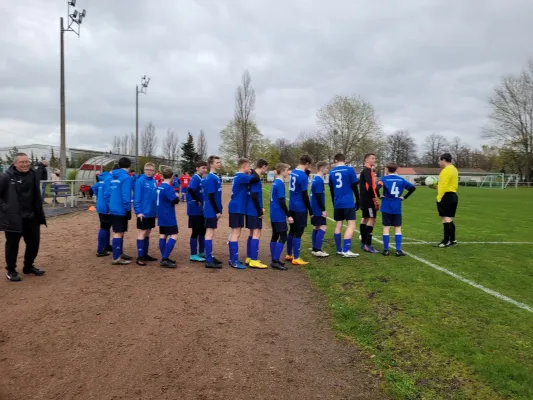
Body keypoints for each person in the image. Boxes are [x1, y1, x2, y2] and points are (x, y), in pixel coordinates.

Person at [0, 153, 46, 282]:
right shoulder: (6, 177)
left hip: (32, 217)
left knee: (33, 243)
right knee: (12, 245)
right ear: (15, 163)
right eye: (22, 162)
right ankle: (11, 270)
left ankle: (28, 266)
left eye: (27, 162)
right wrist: (5, 207)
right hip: (14, 218)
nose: (25, 164)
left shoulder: (33, 174)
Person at [377, 163, 416, 256]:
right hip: (397, 206)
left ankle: (386, 250)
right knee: (397, 227)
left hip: (386, 205)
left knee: (386, 227)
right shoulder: (401, 179)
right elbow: (413, 188)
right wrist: (404, 197)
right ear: (396, 170)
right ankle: (398, 250)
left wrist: (379, 196)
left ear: (387, 169)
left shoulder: (383, 179)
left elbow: (376, 188)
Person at [227, 158, 259, 269]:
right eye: (249, 166)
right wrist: (254, 171)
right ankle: (233, 260)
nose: (250, 168)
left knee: (236, 232)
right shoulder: (241, 176)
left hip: (237, 207)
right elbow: (255, 178)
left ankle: (233, 259)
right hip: (237, 208)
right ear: (244, 166)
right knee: (236, 233)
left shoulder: (238, 176)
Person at [329, 153, 360, 258]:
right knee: (351, 225)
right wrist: (358, 200)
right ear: (345, 160)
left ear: (335, 160)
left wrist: (334, 202)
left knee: (338, 224)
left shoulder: (331, 171)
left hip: (337, 202)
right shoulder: (349, 170)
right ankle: (346, 250)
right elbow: (355, 186)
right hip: (348, 202)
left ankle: (339, 249)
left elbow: (331, 189)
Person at [104, 157, 134, 265]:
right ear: (129, 166)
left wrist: (109, 205)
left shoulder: (112, 177)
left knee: (120, 231)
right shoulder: (126, 178)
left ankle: (119, 252)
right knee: (118, 232)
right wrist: (128, 209)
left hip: (113, 207)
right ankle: (116, 257)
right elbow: (126, 195)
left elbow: (107, 193)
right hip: (120, 209)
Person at [286, 154, 313, 266]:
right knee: (299, 232)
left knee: (291, 230)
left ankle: (289, 254)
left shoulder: (293, 172)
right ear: (307, 163)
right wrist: (310, 210)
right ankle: (296, 257)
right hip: (300, 207)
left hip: (292, 205)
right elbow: (305, 195)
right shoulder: (303, 176)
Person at [244, 159, 269, 269]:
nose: (266, 170)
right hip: (254, 210)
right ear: (263, 166)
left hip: (250, 209)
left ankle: (249, 257)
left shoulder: (252, 177)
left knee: (252, 233)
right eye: (266, 168)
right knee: (256, 233)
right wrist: (259, 210)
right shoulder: (256, 178)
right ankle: (253, 260)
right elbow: (254, 195)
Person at [269, 163, 293, 270]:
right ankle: (275, 260)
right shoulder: (279, 183)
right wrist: (289, 215)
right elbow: (282, 201)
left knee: (275, 235)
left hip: (273, 213)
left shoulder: (275, 182)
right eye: (288, 170)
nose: (289, 172)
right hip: (278, 214)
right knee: (283, 236)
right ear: (282, 170)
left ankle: (275, 259)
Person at [134, 162, 159, 266]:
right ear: (144, 170)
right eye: (147, 169)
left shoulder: (154, 181)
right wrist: (138, 211)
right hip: (143, 213)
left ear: (154, 171)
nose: (149, 172)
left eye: (151, 170)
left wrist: (156, 211)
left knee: (148, 232)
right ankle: (139, 257)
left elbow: (155, 198)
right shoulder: (140, 181)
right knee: (142, 232)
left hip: (151, 213)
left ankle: (145, 254)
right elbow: (136, 197)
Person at [201, 155, 224, 269]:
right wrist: (217, 211)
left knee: (211, 233)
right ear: (211, 164)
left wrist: (220, 208)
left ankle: (210, 256)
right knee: (209, 233)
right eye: (217, 162)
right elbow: (210, 196)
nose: (219, 164)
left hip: (212, 209)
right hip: (210, 210)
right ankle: (208, 260)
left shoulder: (214, 177)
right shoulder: (211, 178)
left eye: (220, 162)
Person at [433, 153, 459, 247]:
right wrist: (436, 187)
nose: (440, 163)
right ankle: (452, 240)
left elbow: (443, 186)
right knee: (449, 218)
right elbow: (446, 184)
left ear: (444, 160)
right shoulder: (454, 169)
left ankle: (446, 241)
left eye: (440, 161)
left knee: (445, 218)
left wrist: (439, 197)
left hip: (446, 196)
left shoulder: (445, 170)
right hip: (453, 195)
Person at [156, 168, 180, 268]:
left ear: (162, 176)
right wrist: (177, 195)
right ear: (172, 177)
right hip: (168, 214)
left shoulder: (160, 186)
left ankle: (164, 257)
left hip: (161, 213)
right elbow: (175, 200)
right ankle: (165, 258)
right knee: (174, 235)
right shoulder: (168, 187)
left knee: (163, 235)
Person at [187, 161, 208, 262]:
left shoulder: (201, 178)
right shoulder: (195, 178)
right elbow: (190, 189)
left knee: (202, 231)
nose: (205, 169)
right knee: (195, 231)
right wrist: (197, 200)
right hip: (194, 210)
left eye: (205, 168)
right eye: (203, 168)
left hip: (201, 210)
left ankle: (201, 251)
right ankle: (193, 254)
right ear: (197, 168)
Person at [359, 153, 380, 253]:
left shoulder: (365, 171)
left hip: (364, 200)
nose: (374, 159)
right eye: (372, 158)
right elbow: (369, 187)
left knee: (365, 219)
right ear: (366, 160)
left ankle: (363, 243)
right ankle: (367, 244)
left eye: (375, 158)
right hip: (368, 201)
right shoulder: (367, 171)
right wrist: (374, 199)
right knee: (372, 219)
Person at [310, 161, 330, 257]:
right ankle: (317, 250)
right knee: (323, 227)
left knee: (316, 227)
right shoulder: (319, 180)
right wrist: (323, 210)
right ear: (322, 168)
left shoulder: (315, 179)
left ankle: (314, 248)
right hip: (317, 209)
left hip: (314, 207)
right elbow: (318, 196)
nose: (327, 169)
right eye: (326, 168)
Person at [92, 170, 113, 257]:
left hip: (100, 206)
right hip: (105, 208)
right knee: (104, 227)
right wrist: (109, 208)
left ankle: (106, 246)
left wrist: (98, 197)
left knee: (106, 226)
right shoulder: (109, 180)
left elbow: (94, 188)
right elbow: (108, 195)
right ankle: (100, 250)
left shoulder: (101, 180)